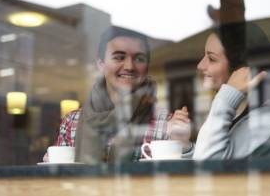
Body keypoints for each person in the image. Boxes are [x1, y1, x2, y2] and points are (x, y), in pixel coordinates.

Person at [43, 26, 191, 163]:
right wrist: (52, 167)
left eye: (139, 59)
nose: (129, 66)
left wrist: (183, 146)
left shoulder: (166, 124)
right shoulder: (72, 122)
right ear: (101, 65)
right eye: (119, 57)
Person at [173, 22, 270, 160]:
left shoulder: (269, 120)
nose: (200, 65)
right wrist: (185, 146)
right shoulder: (238, 113)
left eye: (211, 58)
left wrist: (228, 96)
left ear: (242, 69)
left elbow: (208, 166)